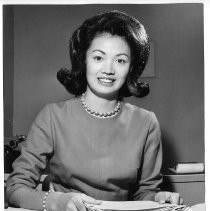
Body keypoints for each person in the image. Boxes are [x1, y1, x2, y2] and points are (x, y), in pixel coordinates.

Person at [6, 10, 183, 211]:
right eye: (99, 57)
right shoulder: (52, 116)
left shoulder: (147, 122)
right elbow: (15, 188)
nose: (108, 69)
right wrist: (57, 202)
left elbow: (145, 193)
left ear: (131, 67)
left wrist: (159, 197)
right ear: (84, 60)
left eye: (120, 60)